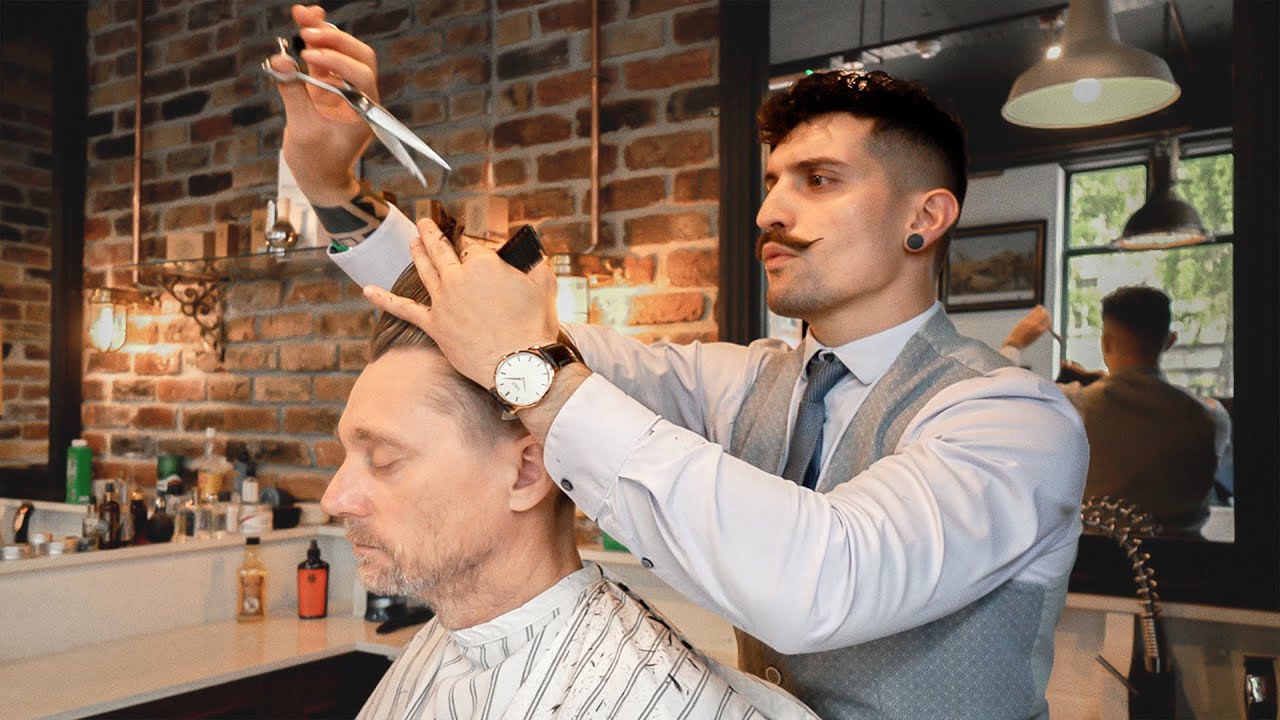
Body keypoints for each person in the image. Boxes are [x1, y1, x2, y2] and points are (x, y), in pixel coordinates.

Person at [273, 8, 1089, 717]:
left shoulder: (1012, 421)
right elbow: (475, 331)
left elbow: (827, 581)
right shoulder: (745, 383)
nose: (771, 210)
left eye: (820, 179)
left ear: (927, 216)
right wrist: (330, 180)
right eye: (772, 181)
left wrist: (531, 369)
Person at [323, 265, 818, 719]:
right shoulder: (446, 646)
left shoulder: (647, 696)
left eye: (385, 461)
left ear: (526, 473)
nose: (334, 498)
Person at [1001, 288, 1222, 535]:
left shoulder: (1073, 405)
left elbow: (996, 397)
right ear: (1169, 341)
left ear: (1105, 342)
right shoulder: (1212, 417)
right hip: (1185, 569)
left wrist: (1014, 344)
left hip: (1094, 566)